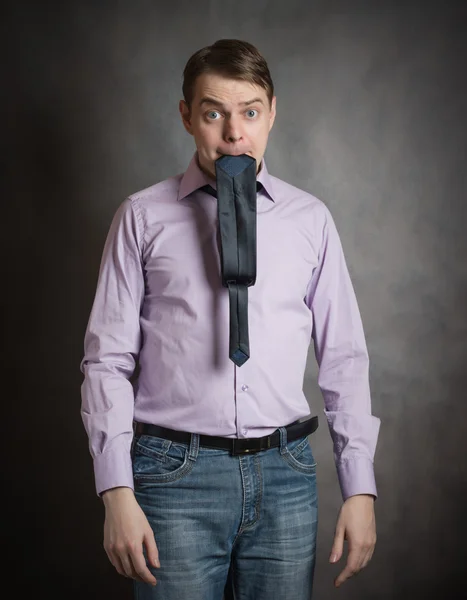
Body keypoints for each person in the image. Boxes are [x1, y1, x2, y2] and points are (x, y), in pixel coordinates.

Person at [80, 38, 381, 600]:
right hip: (173, 477)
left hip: (286, 475)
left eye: (250, 112)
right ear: (188, 116)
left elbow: (343, 357)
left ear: (272, 113)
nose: (233, 133)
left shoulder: (310, 220)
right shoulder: (142, 218)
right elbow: (106, 361)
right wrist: (116, 488)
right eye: (214, 112)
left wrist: (359, 488)